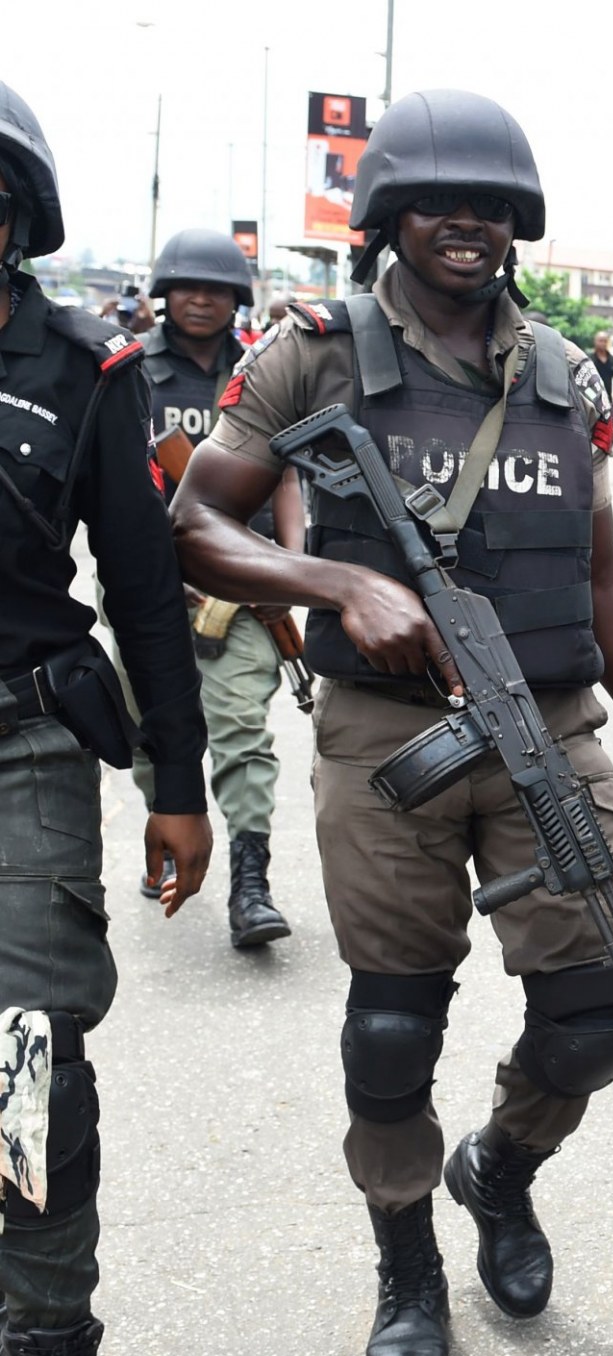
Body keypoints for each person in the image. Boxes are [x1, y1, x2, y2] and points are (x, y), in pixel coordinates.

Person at [172, 89, 613, 1356]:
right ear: (390, 216)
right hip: (383, 733)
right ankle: (408, 1259)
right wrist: (334, 587)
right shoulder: (314, 356)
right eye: (438, 202)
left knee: (595, 1019)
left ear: (520, 223)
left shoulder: (570, 374)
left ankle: (498, 1169)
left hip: (549, 719)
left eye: (493, 205)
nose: (469, 223)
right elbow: (196, 523)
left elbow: (604, 573)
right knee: (393, 1029)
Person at [0, 81, 212, 1356]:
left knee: (25, 1077)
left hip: (21, 744)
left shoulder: (83, 369)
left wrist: (181, 786)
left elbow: (143, 588)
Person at [133, 228, 303, 949]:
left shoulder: (265, 367)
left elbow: (291, 470)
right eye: (187, 286)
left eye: (217, 287)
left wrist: (294, 566)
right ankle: (170, 823)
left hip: (243, 574)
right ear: (164, 294)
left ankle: (250, 881)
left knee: (241, 729)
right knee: (152, 728)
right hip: (148, 576)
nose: (201, 298)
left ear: (238, 297)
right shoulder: (130, 370)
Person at [590, 327, 613, 413]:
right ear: (595, 342)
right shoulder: (589, 360)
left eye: (605, 341)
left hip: (607, 402)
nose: (603, 343)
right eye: (600, 340)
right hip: (591, 401)